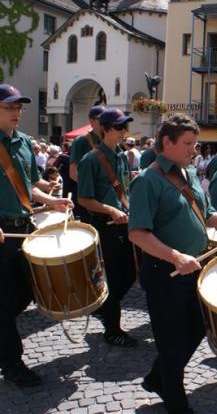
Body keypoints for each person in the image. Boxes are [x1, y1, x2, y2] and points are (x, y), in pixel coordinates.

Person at [128, 114, 217, 413]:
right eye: (187, 144)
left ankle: (157, 377)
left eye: (195, 144)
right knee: (170, 340)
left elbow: (206, 214)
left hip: (195, 269)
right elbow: (137, 233)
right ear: (166, 142)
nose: (194, 150)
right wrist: (175, 256)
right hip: (165, 273)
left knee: (197, 328)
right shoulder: (147, 180)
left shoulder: (190, 172)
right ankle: (175, 398)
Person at [0, 84, 73, 387]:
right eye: (9, 107)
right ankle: (12, 363)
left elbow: (29, 185)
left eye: (19, 107)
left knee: (28, 292)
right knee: (5, 303)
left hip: (25, 228)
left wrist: (53, 202)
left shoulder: (24, 143)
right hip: (2, 233)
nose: (17, 112)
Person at [77, 108, 139, 348]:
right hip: (105, 225)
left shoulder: (121, 156)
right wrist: (111, 210)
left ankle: (103, 307)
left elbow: (124, 189)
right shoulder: (91, 159)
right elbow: (84, 198)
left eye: (125, 127)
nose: (123, 131)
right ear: (104, 129)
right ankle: (113, 330)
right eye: (118, 127)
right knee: (113, 277)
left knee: (130, 274)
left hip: (123, 223)